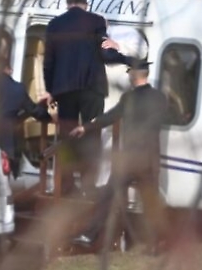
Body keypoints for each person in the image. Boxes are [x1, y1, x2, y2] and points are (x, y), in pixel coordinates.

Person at [70, 58, 168, 250]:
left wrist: (86, 127)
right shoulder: (159, 98)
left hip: (129, 159)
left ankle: (89, 234)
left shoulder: (129, 98)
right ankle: (155, 244)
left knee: (107, 195)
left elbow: (109, 117)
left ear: (133, 75)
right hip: (148, 159)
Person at [43, 0, 129, 195]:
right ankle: (89, 185)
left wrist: (51, 90)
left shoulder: (54, 25)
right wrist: (123, 55)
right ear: (86, 4)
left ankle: (65, 184)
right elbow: (105, 53)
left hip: (65, 90)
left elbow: (48, 62)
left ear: (68, 4)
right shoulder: (97, 21)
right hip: (93, 88)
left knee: (66, 136)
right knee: (91, 134)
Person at [0, 41, 52, 179]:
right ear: (8, 69)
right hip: (7, 146)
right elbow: (35, 111)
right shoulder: (17, 89)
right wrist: (47, 115)